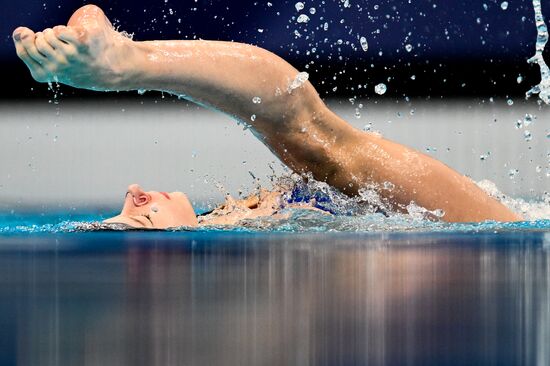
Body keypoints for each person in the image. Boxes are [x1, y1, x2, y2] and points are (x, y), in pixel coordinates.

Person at [12, 4, 522, 228]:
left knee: (316, 142)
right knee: (317, 143)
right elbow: (294, 118)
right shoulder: (243, 237)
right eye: (141, 216)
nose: (133, 191)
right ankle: (128, 64)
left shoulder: (232, 223)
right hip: (483, 228)